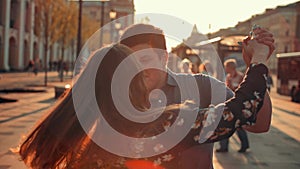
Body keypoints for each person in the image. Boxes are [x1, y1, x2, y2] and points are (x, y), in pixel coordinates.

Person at [18, 25, 274, 169]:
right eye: (131, 67)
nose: (139, 73)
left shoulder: (90, 134)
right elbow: (242, 110)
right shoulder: (168, 122)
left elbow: (257, 122)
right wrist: (259, 59)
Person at [216, 59, 249, 153]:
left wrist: (233, 87)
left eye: (226, 67)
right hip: (229, 103)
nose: (225, 69)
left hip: (239, 104)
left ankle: (245, 145)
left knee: (239, 126)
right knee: (225, 124)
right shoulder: (228, 77)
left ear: (231, 67)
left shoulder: (240, 76)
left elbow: (243, 90)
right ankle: (224, 146)